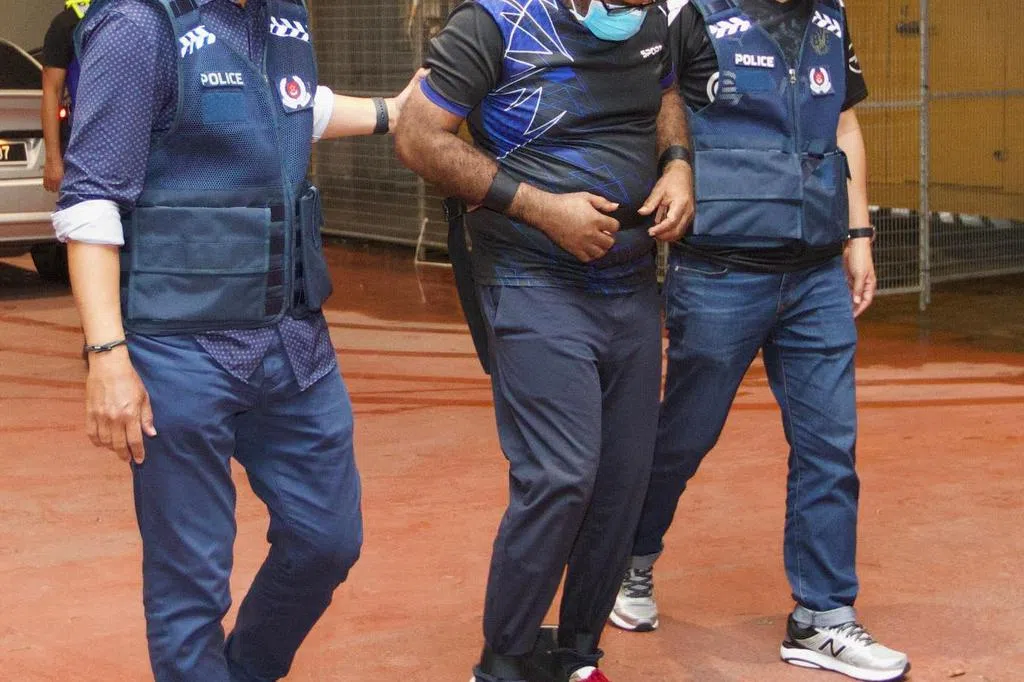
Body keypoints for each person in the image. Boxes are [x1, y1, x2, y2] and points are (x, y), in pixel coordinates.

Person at [50, 1, 422, 679]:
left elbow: (292, 104)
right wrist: (106, 355)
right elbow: (91, 200)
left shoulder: (284, 14)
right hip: (180, 351)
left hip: (294, 344)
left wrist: (391, 112)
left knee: (328, 540)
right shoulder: (138, 27)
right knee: (190, 578)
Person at [610, 1, 910, 680]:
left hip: (816, 274)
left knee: (829, 445)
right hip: (721, 270)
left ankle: (823, 617)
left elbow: (844, 123)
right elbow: (653, 108)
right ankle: (632, 557)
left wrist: (859, 235)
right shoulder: (692, 15)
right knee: (684, 436)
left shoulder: (829, 16)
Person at [395, 2, 693, 681]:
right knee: (561, 474)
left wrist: (677, 163)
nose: (641, 9)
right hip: (531, 277)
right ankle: (504, 661)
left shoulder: (650, 25)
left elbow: (666, 93)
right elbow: (417, 136)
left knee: (622, 482)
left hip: (631, 283)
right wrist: (540, 208)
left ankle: (578, 655)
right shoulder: (495, 23)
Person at [40, 0, 91, 192]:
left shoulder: (132, 15)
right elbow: (52, 91)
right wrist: (53, 159)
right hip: (83, 142)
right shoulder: (67, 24)